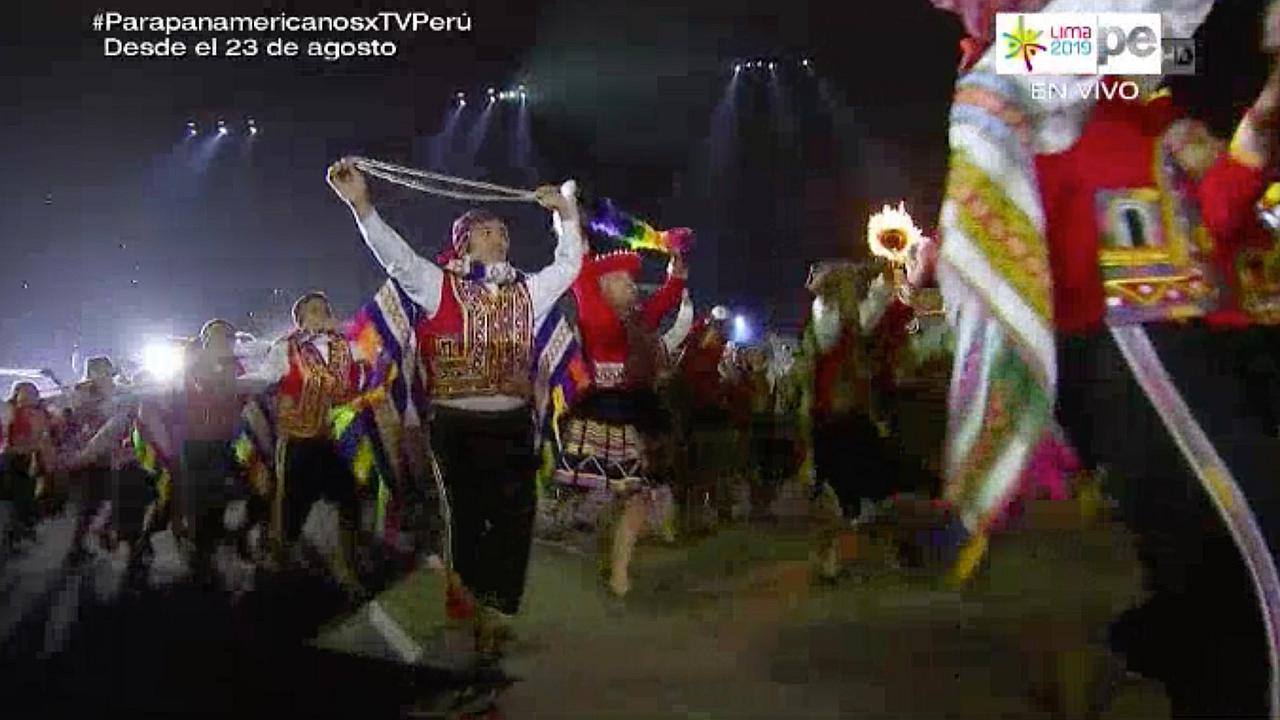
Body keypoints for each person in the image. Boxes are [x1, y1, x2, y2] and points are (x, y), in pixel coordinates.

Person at [935, 1, 1280, 714]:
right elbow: (1163, 25)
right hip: (1131, 336)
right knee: (1248, 547)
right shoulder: (1023, 58)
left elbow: (1219, 210)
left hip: (1191, 333)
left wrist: (1262, 113)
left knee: (1215, 572)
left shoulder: (1123, 88)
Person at [327, 157, 584, 658]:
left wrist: (566, 216)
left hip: (513, 422)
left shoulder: (528, 292)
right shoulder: (437, 285)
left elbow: (568, 266)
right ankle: (475, 609)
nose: (500, 238)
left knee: (517, 516)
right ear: (464, 241)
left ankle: (495, 608)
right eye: (488, 232)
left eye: (504, 232)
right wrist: (361, 207)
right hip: (455, 424)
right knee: (468, 518)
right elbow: (397, 258)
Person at [556, 248, 687, 597]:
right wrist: (572, 226)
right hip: (602, 416)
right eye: (623, 280)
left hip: (629, 416)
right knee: (626, 498)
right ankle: (615, 568)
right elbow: (581, 276)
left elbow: (664, 299)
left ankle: (616, 568)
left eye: (631, 280)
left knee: (631, 498)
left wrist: (676, 268)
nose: (632, 286)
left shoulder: (637, 320)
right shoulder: (595, 312)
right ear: (604, 285)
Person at [241, 292, 364, 597]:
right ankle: (274, 573)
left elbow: (371, 351)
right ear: (300, 320)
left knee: (350, 497)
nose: (321, 314)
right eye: (314, 310)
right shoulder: (286, 349)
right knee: (290, 514)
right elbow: (263, 377)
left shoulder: (340, 347)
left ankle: (348, 566)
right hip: (295, 445)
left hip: (323, 441)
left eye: (325, 309)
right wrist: (228, 384)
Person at [1, 382, 55, 545]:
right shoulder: (10, 413)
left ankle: (20, 531)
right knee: (13, 499)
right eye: (25, 394)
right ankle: (15, 532)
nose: (28, 397)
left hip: (30, 461)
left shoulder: (41, 414)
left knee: (26, 497)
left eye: (32, 393)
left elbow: (45, 439)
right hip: (12, 461)